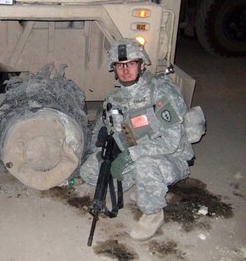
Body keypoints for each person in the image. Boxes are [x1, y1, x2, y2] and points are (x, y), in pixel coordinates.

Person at [80, 38, 195, 241]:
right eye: (120, 65)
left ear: (141, 65)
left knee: (145, 165)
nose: (125, 70)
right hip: (130, 154)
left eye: (131, 64)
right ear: (114, 69)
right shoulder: (113, 100)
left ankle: (153, 213)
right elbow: (100, 130)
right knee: (90, 170)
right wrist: (101, 150)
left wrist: (130, 155)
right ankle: (142, 185)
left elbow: (172, 142)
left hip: (168, 158)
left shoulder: (159, 93)